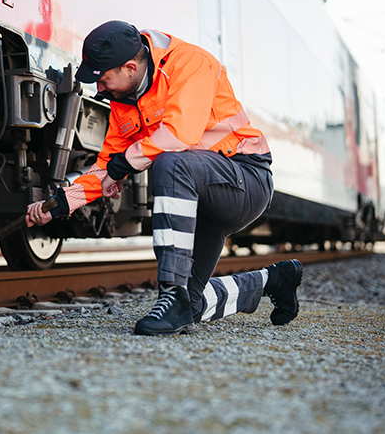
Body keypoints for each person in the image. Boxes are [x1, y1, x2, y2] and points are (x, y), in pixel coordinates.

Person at [25, 21, 302, 336]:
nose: (99, 89)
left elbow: (177, 136)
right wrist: (60, 203)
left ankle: (170, 293)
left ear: (130, 67)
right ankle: (274, 280)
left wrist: (123, 165)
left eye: (102, 79)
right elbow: (105, 167)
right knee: (192, 307)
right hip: (199, 200)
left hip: (244, 179)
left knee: (170, 164)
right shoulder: (124, 102)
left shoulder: (192, 63)